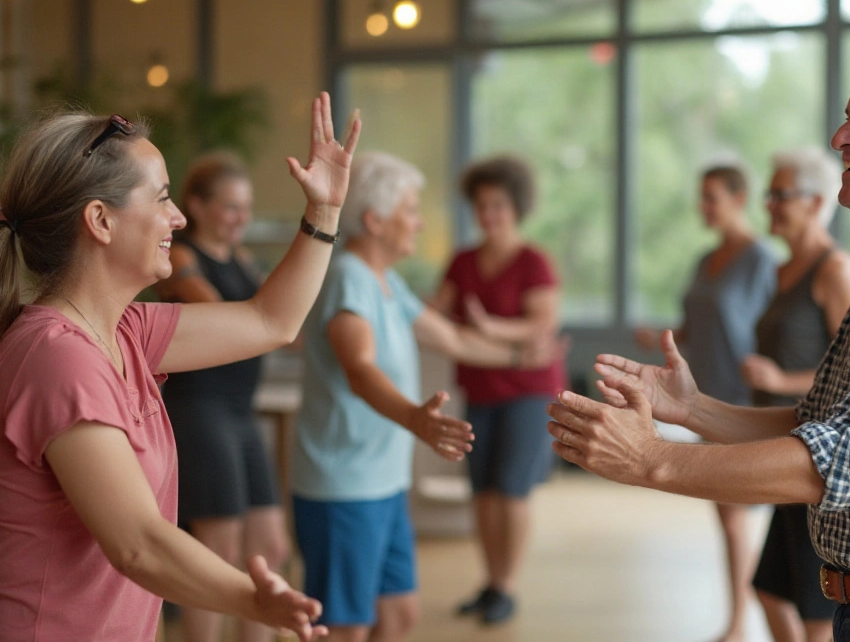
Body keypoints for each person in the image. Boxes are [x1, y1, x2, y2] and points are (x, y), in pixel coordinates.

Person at [548, 38, 850, 642]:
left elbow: (835, 455)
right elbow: (816, 419)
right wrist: (694, 407)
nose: (840, 138)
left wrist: (651, 458)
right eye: (846, 118)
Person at [0, 92, 357, 641]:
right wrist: (253, 600)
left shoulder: (127, 331)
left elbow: (270, 321)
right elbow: (138, 543)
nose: (179, 216)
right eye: (162, 198)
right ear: (100, 220)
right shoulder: (58, 357)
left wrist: (325, 212)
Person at [292, 150, 553, 642]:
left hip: (384, 482)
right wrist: (414, 418)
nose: (419, 221)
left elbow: (452, 339)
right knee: (347, 626)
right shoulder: (349, 278)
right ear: (375, 220)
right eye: (410, 209)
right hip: (344, 485)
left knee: (399, 614)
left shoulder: (386, 281)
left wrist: (521, 360)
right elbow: (359, 369)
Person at [634, 161, 776, 642]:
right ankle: (743, 614)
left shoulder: (761, 260)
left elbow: (773, 329)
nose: (703, 206)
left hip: (743, 401)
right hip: (703, 396)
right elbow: (697, 324)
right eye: (702, 196)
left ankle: (742, 621)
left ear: (739, 199)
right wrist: (662, 337)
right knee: (726, 518)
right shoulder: (704, 260)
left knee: (737, 520)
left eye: (712, 196)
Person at [153, 151, 289, 642]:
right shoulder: (181, 255)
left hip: (240, 411)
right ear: (197, 205)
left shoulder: (245, 260)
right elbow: (223, 315)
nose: (242, 218)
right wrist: (265, 318)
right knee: (218, 552)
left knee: (270, 545)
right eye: (230, 207)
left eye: (246, 208)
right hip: (199, 409)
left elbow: (279, 320)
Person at [431, 154, 566, 625]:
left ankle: (507, 587)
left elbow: (543, 324)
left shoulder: (533, 261)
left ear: (517, 208)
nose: (489, 215)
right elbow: (436, 314)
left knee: (511, 490)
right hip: (479, 389)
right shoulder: (463, 260)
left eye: (499, 206)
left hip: (528, 392)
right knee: (483, 492)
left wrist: (489, 326)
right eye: (481, 205)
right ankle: (490, 583)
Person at [741, 148, 850, 642]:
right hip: (784, 446)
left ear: (816, 203)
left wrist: (779, 381)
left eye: (780, 195)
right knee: (770, 590)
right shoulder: (780, 271)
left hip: (820, 463)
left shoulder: (835, 270)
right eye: (768, 194)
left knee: (817, 612)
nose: (768, 204)